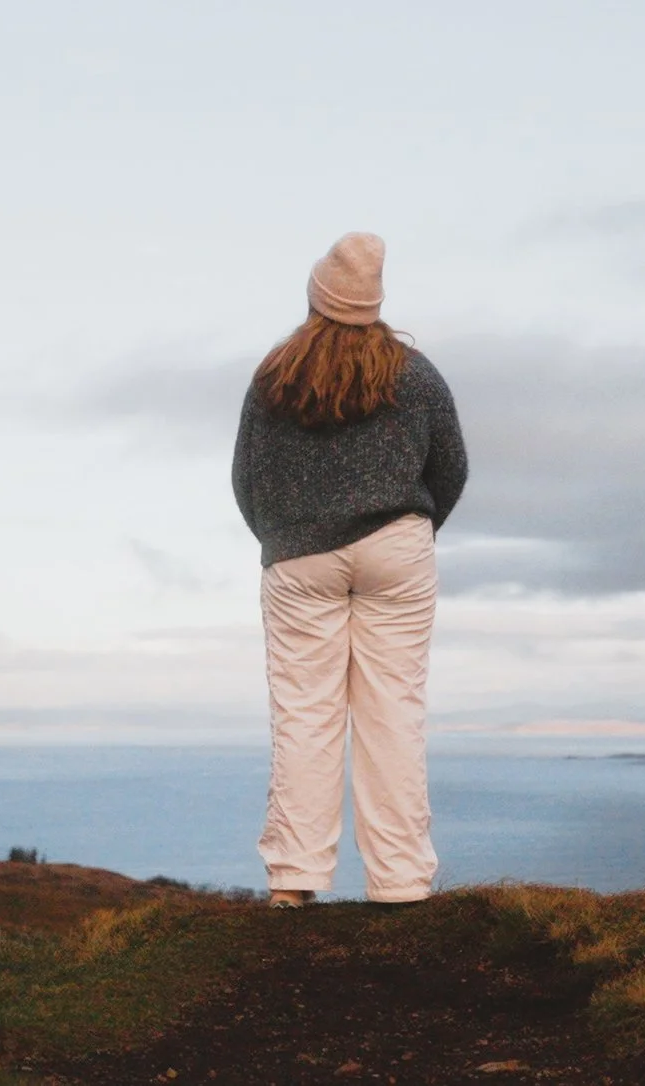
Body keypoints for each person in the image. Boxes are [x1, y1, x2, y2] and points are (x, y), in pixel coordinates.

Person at [231, 232, 467, 907]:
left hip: (300, 556)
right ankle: (399, 883)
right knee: (394, 712)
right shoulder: (417, 375)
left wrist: (285, 536)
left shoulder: (274, 376)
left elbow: (247, 479)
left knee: (305, 713)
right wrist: (408, 532)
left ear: (315, 298)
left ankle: (293, 882)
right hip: (397, 550)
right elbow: (450, 470)